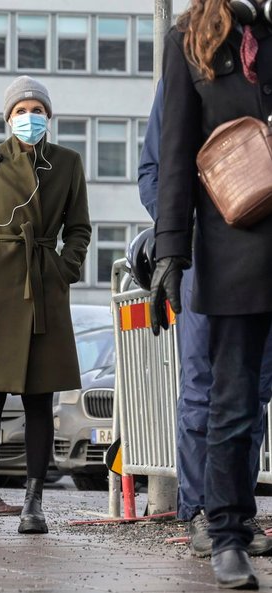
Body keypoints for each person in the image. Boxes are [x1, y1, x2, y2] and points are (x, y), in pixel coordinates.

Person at [152, 2, 272, 586]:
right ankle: (227, 532)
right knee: (233, 400)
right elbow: (173, 158)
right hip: (236, 254)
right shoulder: (189, 42)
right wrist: (171, 252)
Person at [0, 76, 90, 535]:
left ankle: (34, 503)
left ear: (49, 116)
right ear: (8, 118)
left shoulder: (68, 162)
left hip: (44, 291)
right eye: (21, 111)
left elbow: (81, 229)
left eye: (37, 110)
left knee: (39, 403)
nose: (29, 117)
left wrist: (63, 270)